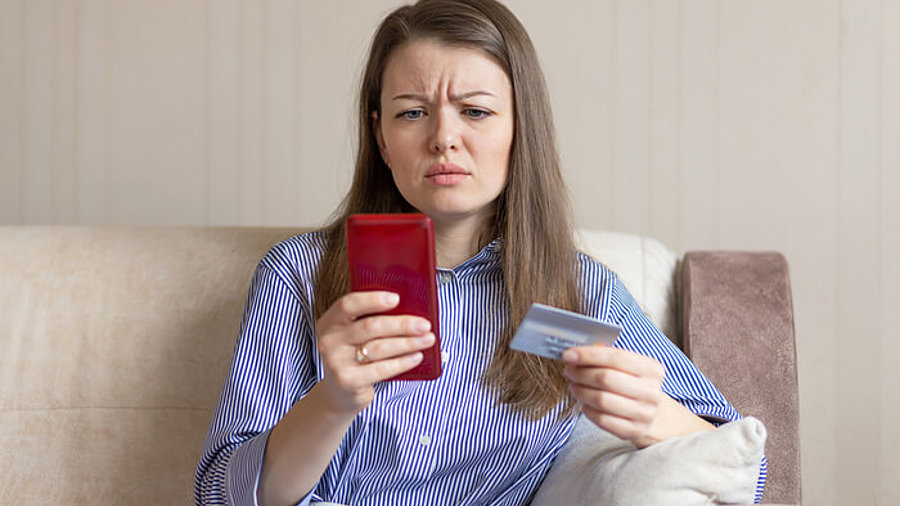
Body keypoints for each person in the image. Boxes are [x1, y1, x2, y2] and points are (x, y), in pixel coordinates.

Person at [195, 0, 765, 504]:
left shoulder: (577, 292)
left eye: (476, 111)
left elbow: (747, 471)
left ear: (521, 130)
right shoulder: (299, 274)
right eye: (412, 112)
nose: (444, 137)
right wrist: (334, 400)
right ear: (380, 137)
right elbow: (221, 492)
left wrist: (650, 417)